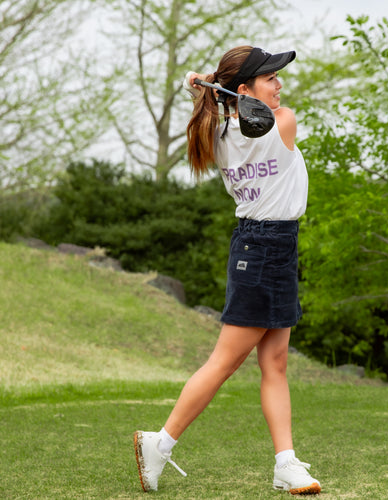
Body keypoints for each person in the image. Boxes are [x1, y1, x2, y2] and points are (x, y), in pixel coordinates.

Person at [134, 45, 321, 496]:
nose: (280, 86)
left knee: (275, 362)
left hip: (270, 247)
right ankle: (159, 443)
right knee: (225, 361)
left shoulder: (215, 131)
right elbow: (261, 115)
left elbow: (211, 99)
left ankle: (285, 463)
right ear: (244, 89)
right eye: (270, 78)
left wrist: (200, 85)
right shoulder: (283, 122)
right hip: (262, 249)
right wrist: (212, 88)